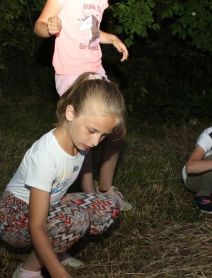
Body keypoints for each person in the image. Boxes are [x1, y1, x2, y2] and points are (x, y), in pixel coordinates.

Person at [0, 73, 126, 278]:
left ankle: (55, 247)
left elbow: (74, 176)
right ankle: (27, 272)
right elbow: (36, 225)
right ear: (70, 113)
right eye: (92, 130)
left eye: (103, 134)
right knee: (75, 219)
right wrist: (59, 275)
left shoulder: (79, 140)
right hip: (14, 217)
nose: (96, 142)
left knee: (109, 205)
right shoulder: (46, 155)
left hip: (50, 205)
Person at [33, 0, 133, 210]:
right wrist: (49, 28)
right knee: (84, 130)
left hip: (95, 69)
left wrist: (111, 38)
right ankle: (89, 194)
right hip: (71, 72)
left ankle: (106, 189)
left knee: (116, 130)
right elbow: (39, 26)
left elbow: (90, 32)